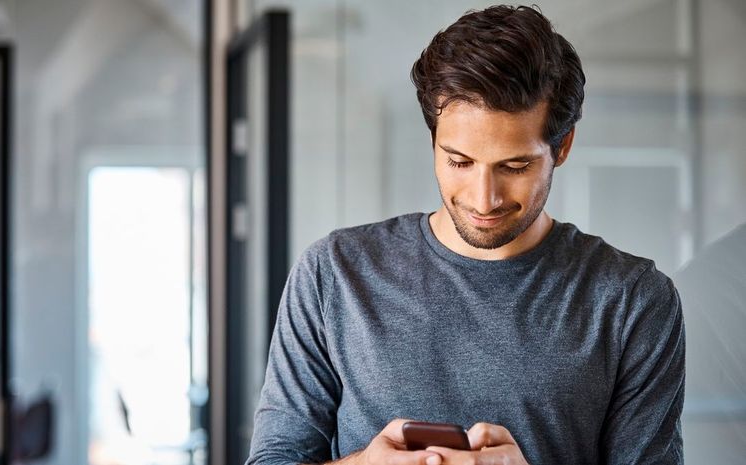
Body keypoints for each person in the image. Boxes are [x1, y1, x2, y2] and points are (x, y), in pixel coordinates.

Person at [246, 5, 685, 465]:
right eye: (459, 161)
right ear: (433, 140)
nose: (484, 199)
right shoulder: (334, 273)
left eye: (514, 166)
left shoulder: (632, 299)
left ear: (563, 147)